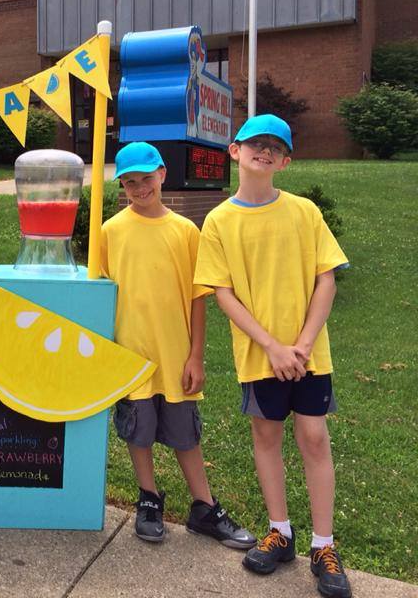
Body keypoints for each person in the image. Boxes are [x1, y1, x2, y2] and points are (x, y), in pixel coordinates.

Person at [195, 114, 352, 598]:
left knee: (314, 438)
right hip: (260, 355)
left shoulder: (305, 212)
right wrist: (272, 346)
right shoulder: (219, 221)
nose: (264, 151)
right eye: (255, 143)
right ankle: (280, 532)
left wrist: (302, 344)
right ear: (235, 151)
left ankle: (323, 545)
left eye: (274, 147)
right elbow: (223, 293)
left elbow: (327, 277)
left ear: (285, 161)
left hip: (309, 355)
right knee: (267, 438)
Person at [100, 142, 256, 549]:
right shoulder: (111, 231)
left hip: (176, 358)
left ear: (163, 174)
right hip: (131, 357)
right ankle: (148, 499)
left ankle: (204, 506)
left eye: (146, 179)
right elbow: (100, 293)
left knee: (186, 434)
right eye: (130, 182)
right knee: (138, 433)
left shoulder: (186, 232)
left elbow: (196, 298)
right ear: (122, 186)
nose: (139, 188)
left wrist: (195, 355)